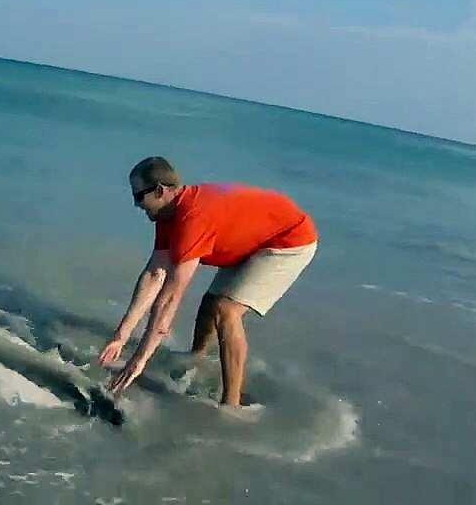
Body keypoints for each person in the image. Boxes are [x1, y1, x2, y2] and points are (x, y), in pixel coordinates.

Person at [97, 156, 318, 407]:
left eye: (138, 196)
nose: (136, 204)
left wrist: (138, 362)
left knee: (226, 310)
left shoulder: (192, 219)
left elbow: (170, 299)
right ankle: (196, 359)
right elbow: (155, 275)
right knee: (209, 304)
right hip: (256, 237)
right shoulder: (168, 214)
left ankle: (231, 406)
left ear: (160, 191)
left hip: (290, 240)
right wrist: (121, 336)